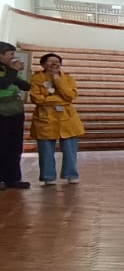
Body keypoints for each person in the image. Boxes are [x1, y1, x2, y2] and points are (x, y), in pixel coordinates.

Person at [29, 53, 84, 185]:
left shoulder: (68, 78)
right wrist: (59, 99)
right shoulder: (36, 78)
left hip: (67, 118)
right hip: (45, 118)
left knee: (70, 150)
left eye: (57, 61)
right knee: (45, 150)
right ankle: (48, 176)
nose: (55, 64)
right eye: (51, 61)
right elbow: (37, 98)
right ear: (43, 64)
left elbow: (70, 96)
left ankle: (71, 174)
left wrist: (57, 79)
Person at [0, 42, 31, 190]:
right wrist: (13, 71)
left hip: (15, 111)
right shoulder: (9, 70)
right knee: (2, 145)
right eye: (10, 54)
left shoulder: (8, 69)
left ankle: (12, 178)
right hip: (1, 112)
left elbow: (23, 85)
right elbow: (3, 84)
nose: (13, 57)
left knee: (15, 145)